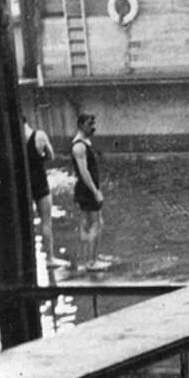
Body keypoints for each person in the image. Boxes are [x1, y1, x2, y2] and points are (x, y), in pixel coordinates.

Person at [24, 120, 69, 269]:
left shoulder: (15, 140)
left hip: (23, 184)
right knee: (46, 221)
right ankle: (50, 258)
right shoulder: (39, 136)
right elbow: (51, 156)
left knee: (25, 224)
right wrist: (40, 157)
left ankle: (28, 260)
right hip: (40, 182)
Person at [70, 112, 110, 272]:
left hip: (85, 189)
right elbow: (84, 172)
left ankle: (88, 258)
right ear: (80, 125)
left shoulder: (84, 142)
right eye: (89, 125)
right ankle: (92, 262)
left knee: (87, 223)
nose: (93, 128)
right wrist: (95, 192)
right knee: (97, 223)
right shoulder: (79, 146)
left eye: (93, 124)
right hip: (87, 189)